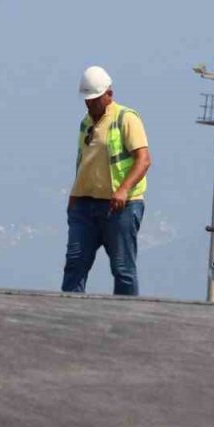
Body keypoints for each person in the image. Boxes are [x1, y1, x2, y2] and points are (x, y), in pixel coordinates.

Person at [61, 65, 151, 296]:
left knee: (123, 269)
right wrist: (73, 197)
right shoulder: (86, 123)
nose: (89, 104)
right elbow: (84, 162)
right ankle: (66, 317)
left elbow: (143, 160)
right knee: (75, 263)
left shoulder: (126, 119)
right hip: (84, 206)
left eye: (94, 99)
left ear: (109, 94)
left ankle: (126, 320)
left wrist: (122, 190)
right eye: (87, 100)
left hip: (120, 206)